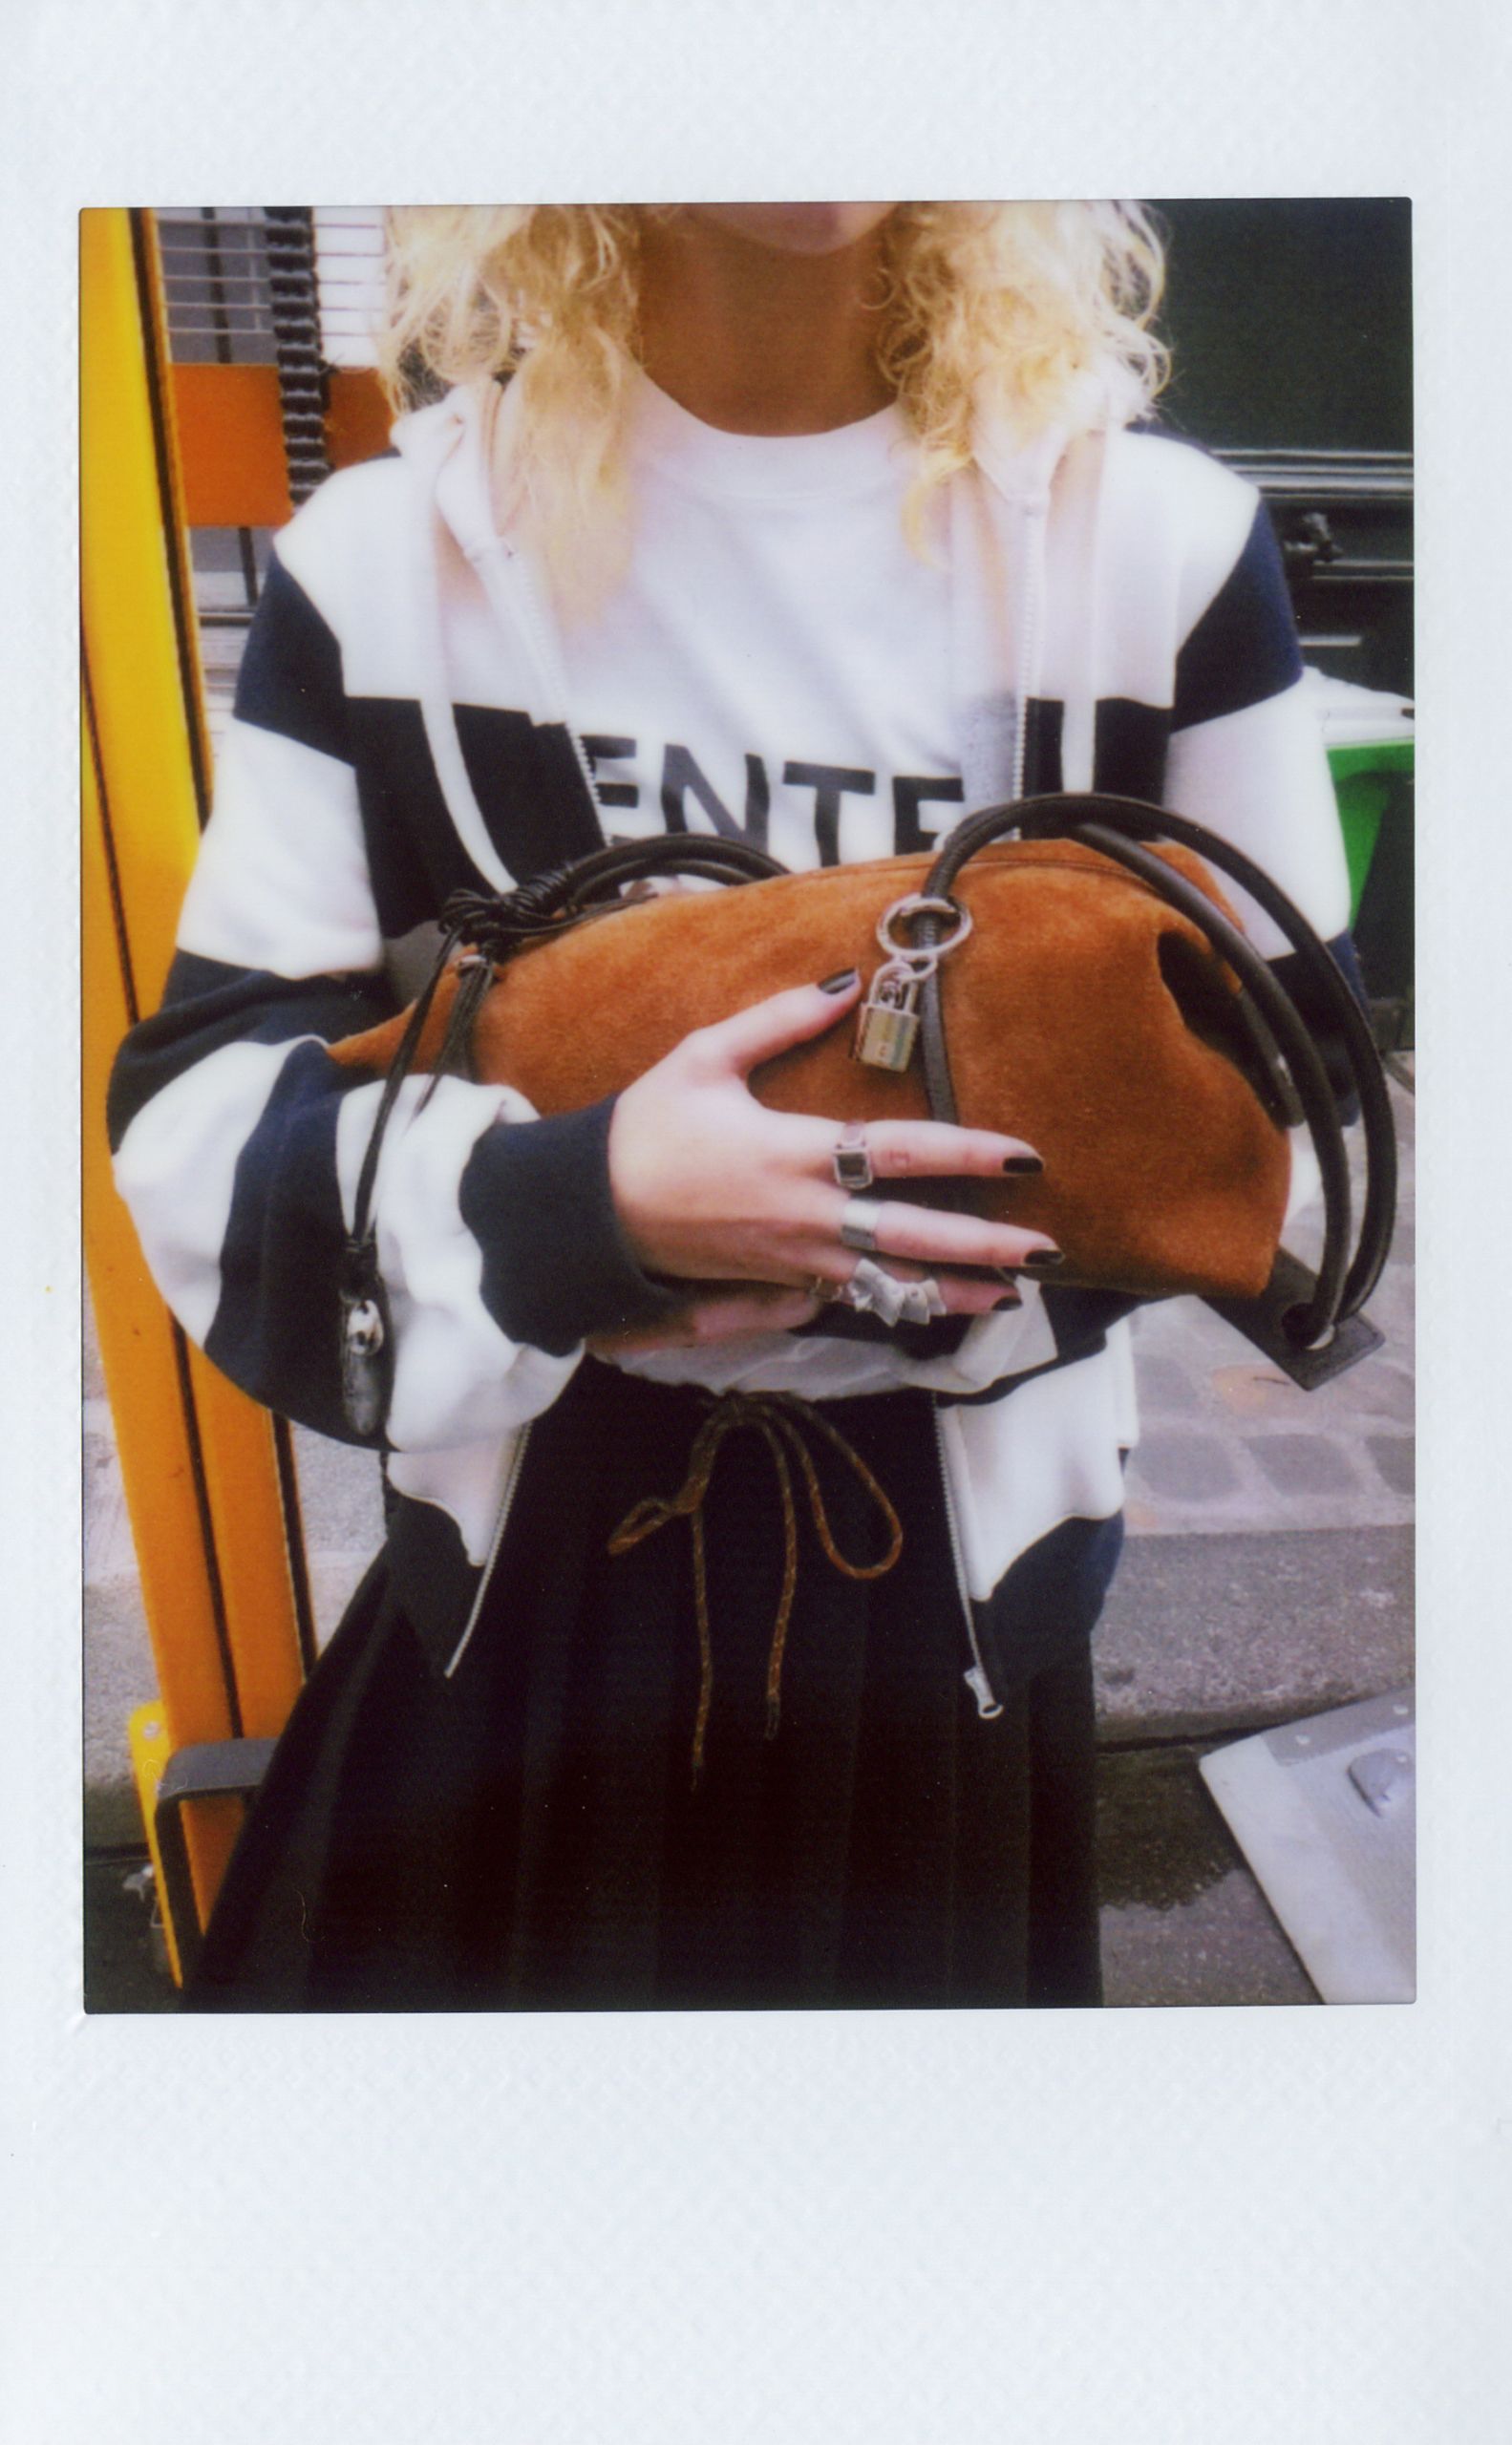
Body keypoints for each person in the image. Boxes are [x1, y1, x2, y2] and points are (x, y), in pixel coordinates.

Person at [107, 202, 1353, 2010]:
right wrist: (577, 1208)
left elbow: (1288, 1113)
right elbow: (204, 1131)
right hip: (525, 1570)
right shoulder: (387, 563)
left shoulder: (1153, 551)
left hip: (955, 1600)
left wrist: (885, 1230)